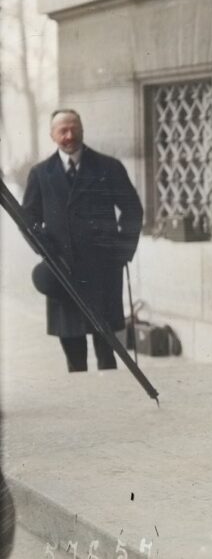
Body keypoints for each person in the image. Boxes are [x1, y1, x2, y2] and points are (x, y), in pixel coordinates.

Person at [23, 109, 143, 373]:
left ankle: (110, 397)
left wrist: (122, 252)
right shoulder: (41, 173)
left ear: (82, 129)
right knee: (73, 352)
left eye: (74, 128)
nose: (69, 135)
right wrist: (47, 253)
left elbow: (133, 210)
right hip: (63, 273)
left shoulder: (108, 167)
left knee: (107, 352)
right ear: (52, 135)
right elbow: (28, 220)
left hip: (103, 271)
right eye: (62, 131)